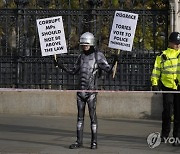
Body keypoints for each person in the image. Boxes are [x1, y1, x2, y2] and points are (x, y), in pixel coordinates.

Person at [54, 32, 117, 149]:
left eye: (86, 45)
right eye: (82, 45)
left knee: (93, 118)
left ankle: (94, 142)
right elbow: (73, 71)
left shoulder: (98, 55)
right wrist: (60, 65)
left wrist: (114, 62)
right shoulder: (81, 56)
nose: (84, 47)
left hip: (91, 92)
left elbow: (109, 70)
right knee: (79, 118)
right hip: (80, 92)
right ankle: (79, 141)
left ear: (91, 44)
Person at [151, 32, 180, 142]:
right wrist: (154, 83)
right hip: (167, 86)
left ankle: (177, 135)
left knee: (178, 113)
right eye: (176, 43)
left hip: (179, 87)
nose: (178, 45)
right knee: (167, 112)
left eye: (179, 43)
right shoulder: (162, 55)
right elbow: (156, 70)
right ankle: (165, 134)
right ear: (171, 43)